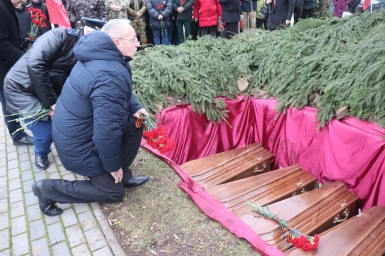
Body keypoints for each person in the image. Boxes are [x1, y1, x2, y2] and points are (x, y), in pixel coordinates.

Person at [31, 19, 149, 217]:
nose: (138, 44)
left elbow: (121, 93)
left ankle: (123, 175)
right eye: (134, 39)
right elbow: (106, 132)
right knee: (113, 193)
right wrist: (112, 167)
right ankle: (47, 189)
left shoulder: (106, 58)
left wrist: (135, 107)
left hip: (79, 134)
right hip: (78, 147)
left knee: (134, 123)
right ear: (117, 43)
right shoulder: (108, 73)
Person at [3, 18, 105, 170]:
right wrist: (52, 103)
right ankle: (41, 153)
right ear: (88, 32)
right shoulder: (59, 36)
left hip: (47, 89)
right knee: (45, 132)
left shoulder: (89, 50)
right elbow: (35, 65)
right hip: (21, 89)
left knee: (64, 124)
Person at [0, 0, 34, 146]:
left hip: (6, 63)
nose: (23, 2)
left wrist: (23, 40)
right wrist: (22, 59)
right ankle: (17, 135)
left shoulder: (7, 6)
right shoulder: (1, 8)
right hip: (2, 67)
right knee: (8, 102)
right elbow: (1, 43)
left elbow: (9, 34)